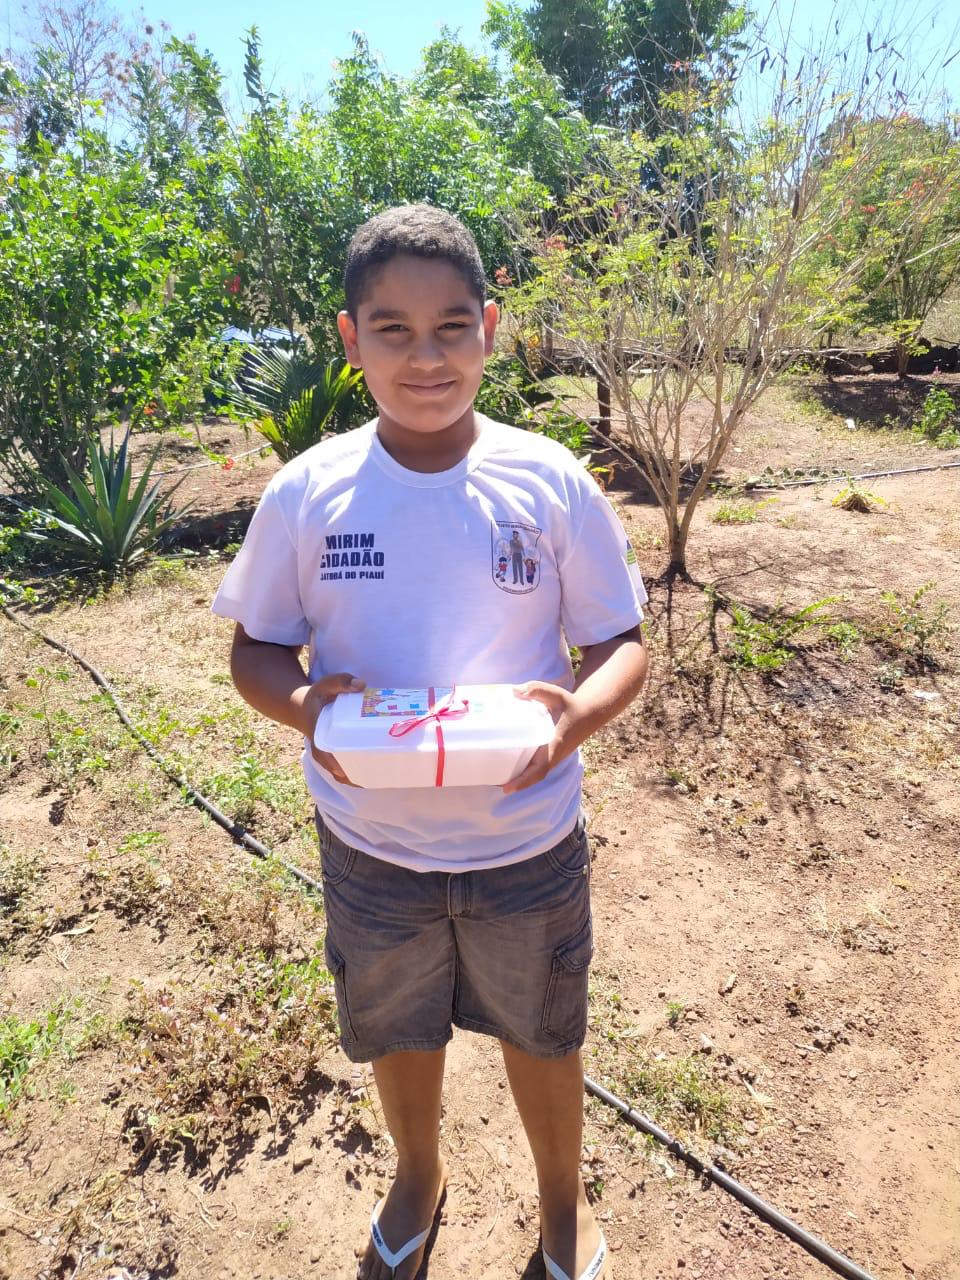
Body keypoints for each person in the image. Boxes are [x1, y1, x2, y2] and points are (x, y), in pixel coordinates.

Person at [210, 203, 649, 1280]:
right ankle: (418, 1172)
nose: (426, 357)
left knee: (543, 1030)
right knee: (397, 1026)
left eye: (453, 327)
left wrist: (577, 717)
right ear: (350, 339)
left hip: (525, 841)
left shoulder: (546, 479)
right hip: (373, 845)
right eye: (393, 330)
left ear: (490, 329)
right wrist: (307, 706)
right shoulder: (309, 491)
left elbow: (620, 642)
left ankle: (562, 1200)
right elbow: (255, 649)